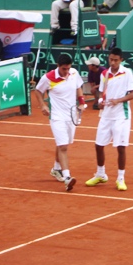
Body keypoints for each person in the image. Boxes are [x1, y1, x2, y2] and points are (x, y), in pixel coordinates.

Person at [85, 48, 133, 191]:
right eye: (111, 59)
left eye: (115, 60)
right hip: (106, 115)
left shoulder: (127, 73)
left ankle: (120, 178)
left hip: (121, 116)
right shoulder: (105, 74)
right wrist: (101, 101)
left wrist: (118, 100)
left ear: (121, 60)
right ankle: (101, 174)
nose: (112, 62)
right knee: (98, 145)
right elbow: (103, 92)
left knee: (120, 147)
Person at [34, 54, 85, 192]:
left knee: (63, 142)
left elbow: (78, 87)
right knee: (63, 146)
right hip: (57, 116)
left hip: (71, 115)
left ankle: (56, 169)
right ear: (58, 66)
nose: (67, 72)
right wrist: (43, 105)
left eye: (68, 68)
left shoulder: (74, 72)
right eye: (64, 69)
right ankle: (67, 178)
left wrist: (81, 103)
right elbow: (38, 91)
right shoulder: (48, 77)